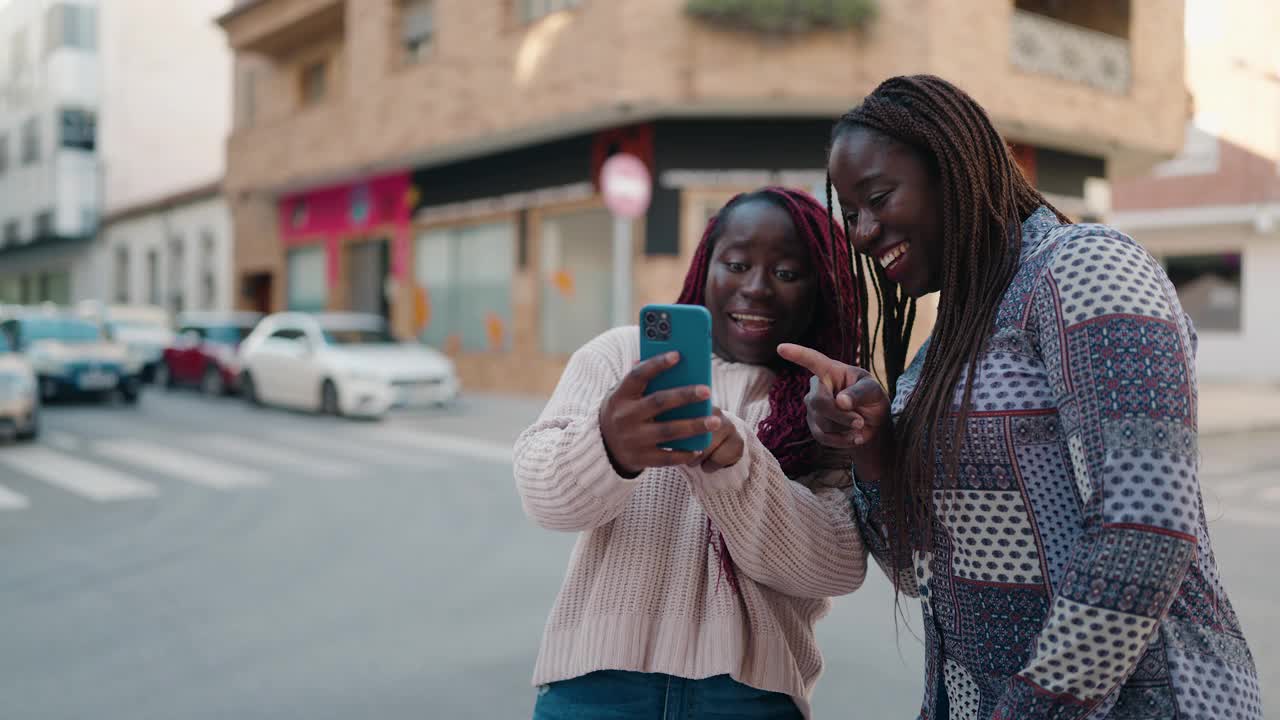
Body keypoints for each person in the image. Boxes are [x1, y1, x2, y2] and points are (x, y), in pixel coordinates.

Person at [780, 75, 1262, 720]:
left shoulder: (1085, 266)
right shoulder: (946, 345)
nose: (863, 232)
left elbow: (1146, 524)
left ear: (953, 168)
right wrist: (873, 445)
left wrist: (1035, 708)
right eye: (852, 213)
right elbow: (914, 567)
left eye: (879, 197)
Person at [514, 187, 868, 719]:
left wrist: (735, 466)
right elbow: (545, 500)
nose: (756, 288)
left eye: (787, 273)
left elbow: (835, 565)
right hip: (596, 689)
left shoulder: (827, 402)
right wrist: (608, 446)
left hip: (749, 700)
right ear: (706, 266)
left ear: (822, 288)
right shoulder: (623, 357)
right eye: (737, 263)